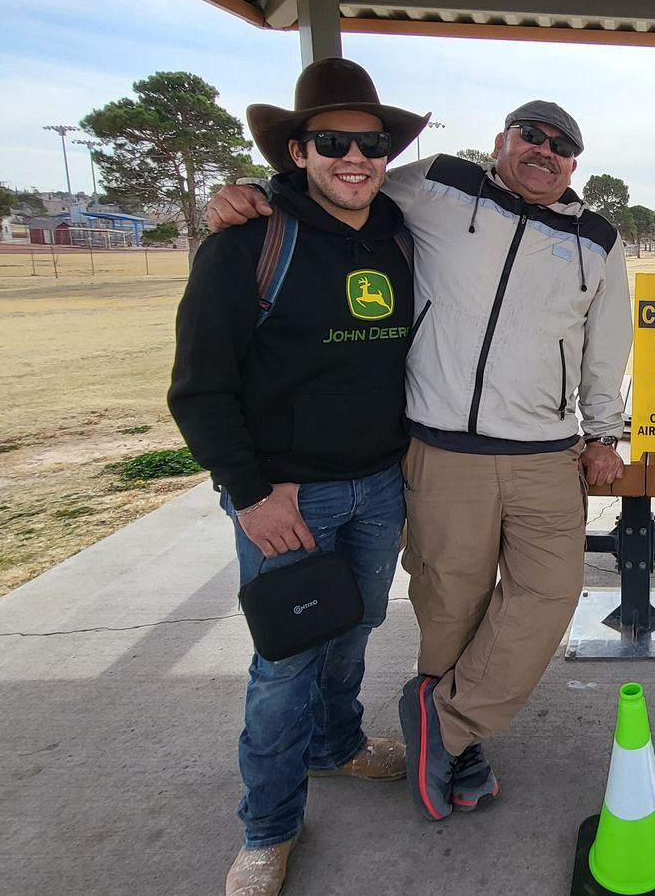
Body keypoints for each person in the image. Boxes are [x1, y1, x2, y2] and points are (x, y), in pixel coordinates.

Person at [204, 97, 630, 822]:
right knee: (450, 602)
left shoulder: (596, 237)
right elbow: (340, 185)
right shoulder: (438, 183)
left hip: (545, 455)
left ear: (573, 165)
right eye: (531, 134)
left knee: (551, 592)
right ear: (501, 139)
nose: (544, 150)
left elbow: (606, 340)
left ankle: (447, 720)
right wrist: (253, 191)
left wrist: (604, 432)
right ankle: (458, 748)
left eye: (562, 145)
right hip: (444, 449)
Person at [168, 58, 424, 895]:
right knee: (283, 662)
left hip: (380, 483)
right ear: (297, 149)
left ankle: (337, 744)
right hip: (288, 496)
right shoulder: (246, 242)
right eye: (333, 140)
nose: (355, 156)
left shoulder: (396, 230)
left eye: (371, 142)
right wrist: (248, 490)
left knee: (353, 630)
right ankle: (268, 826)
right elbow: (199, 386)